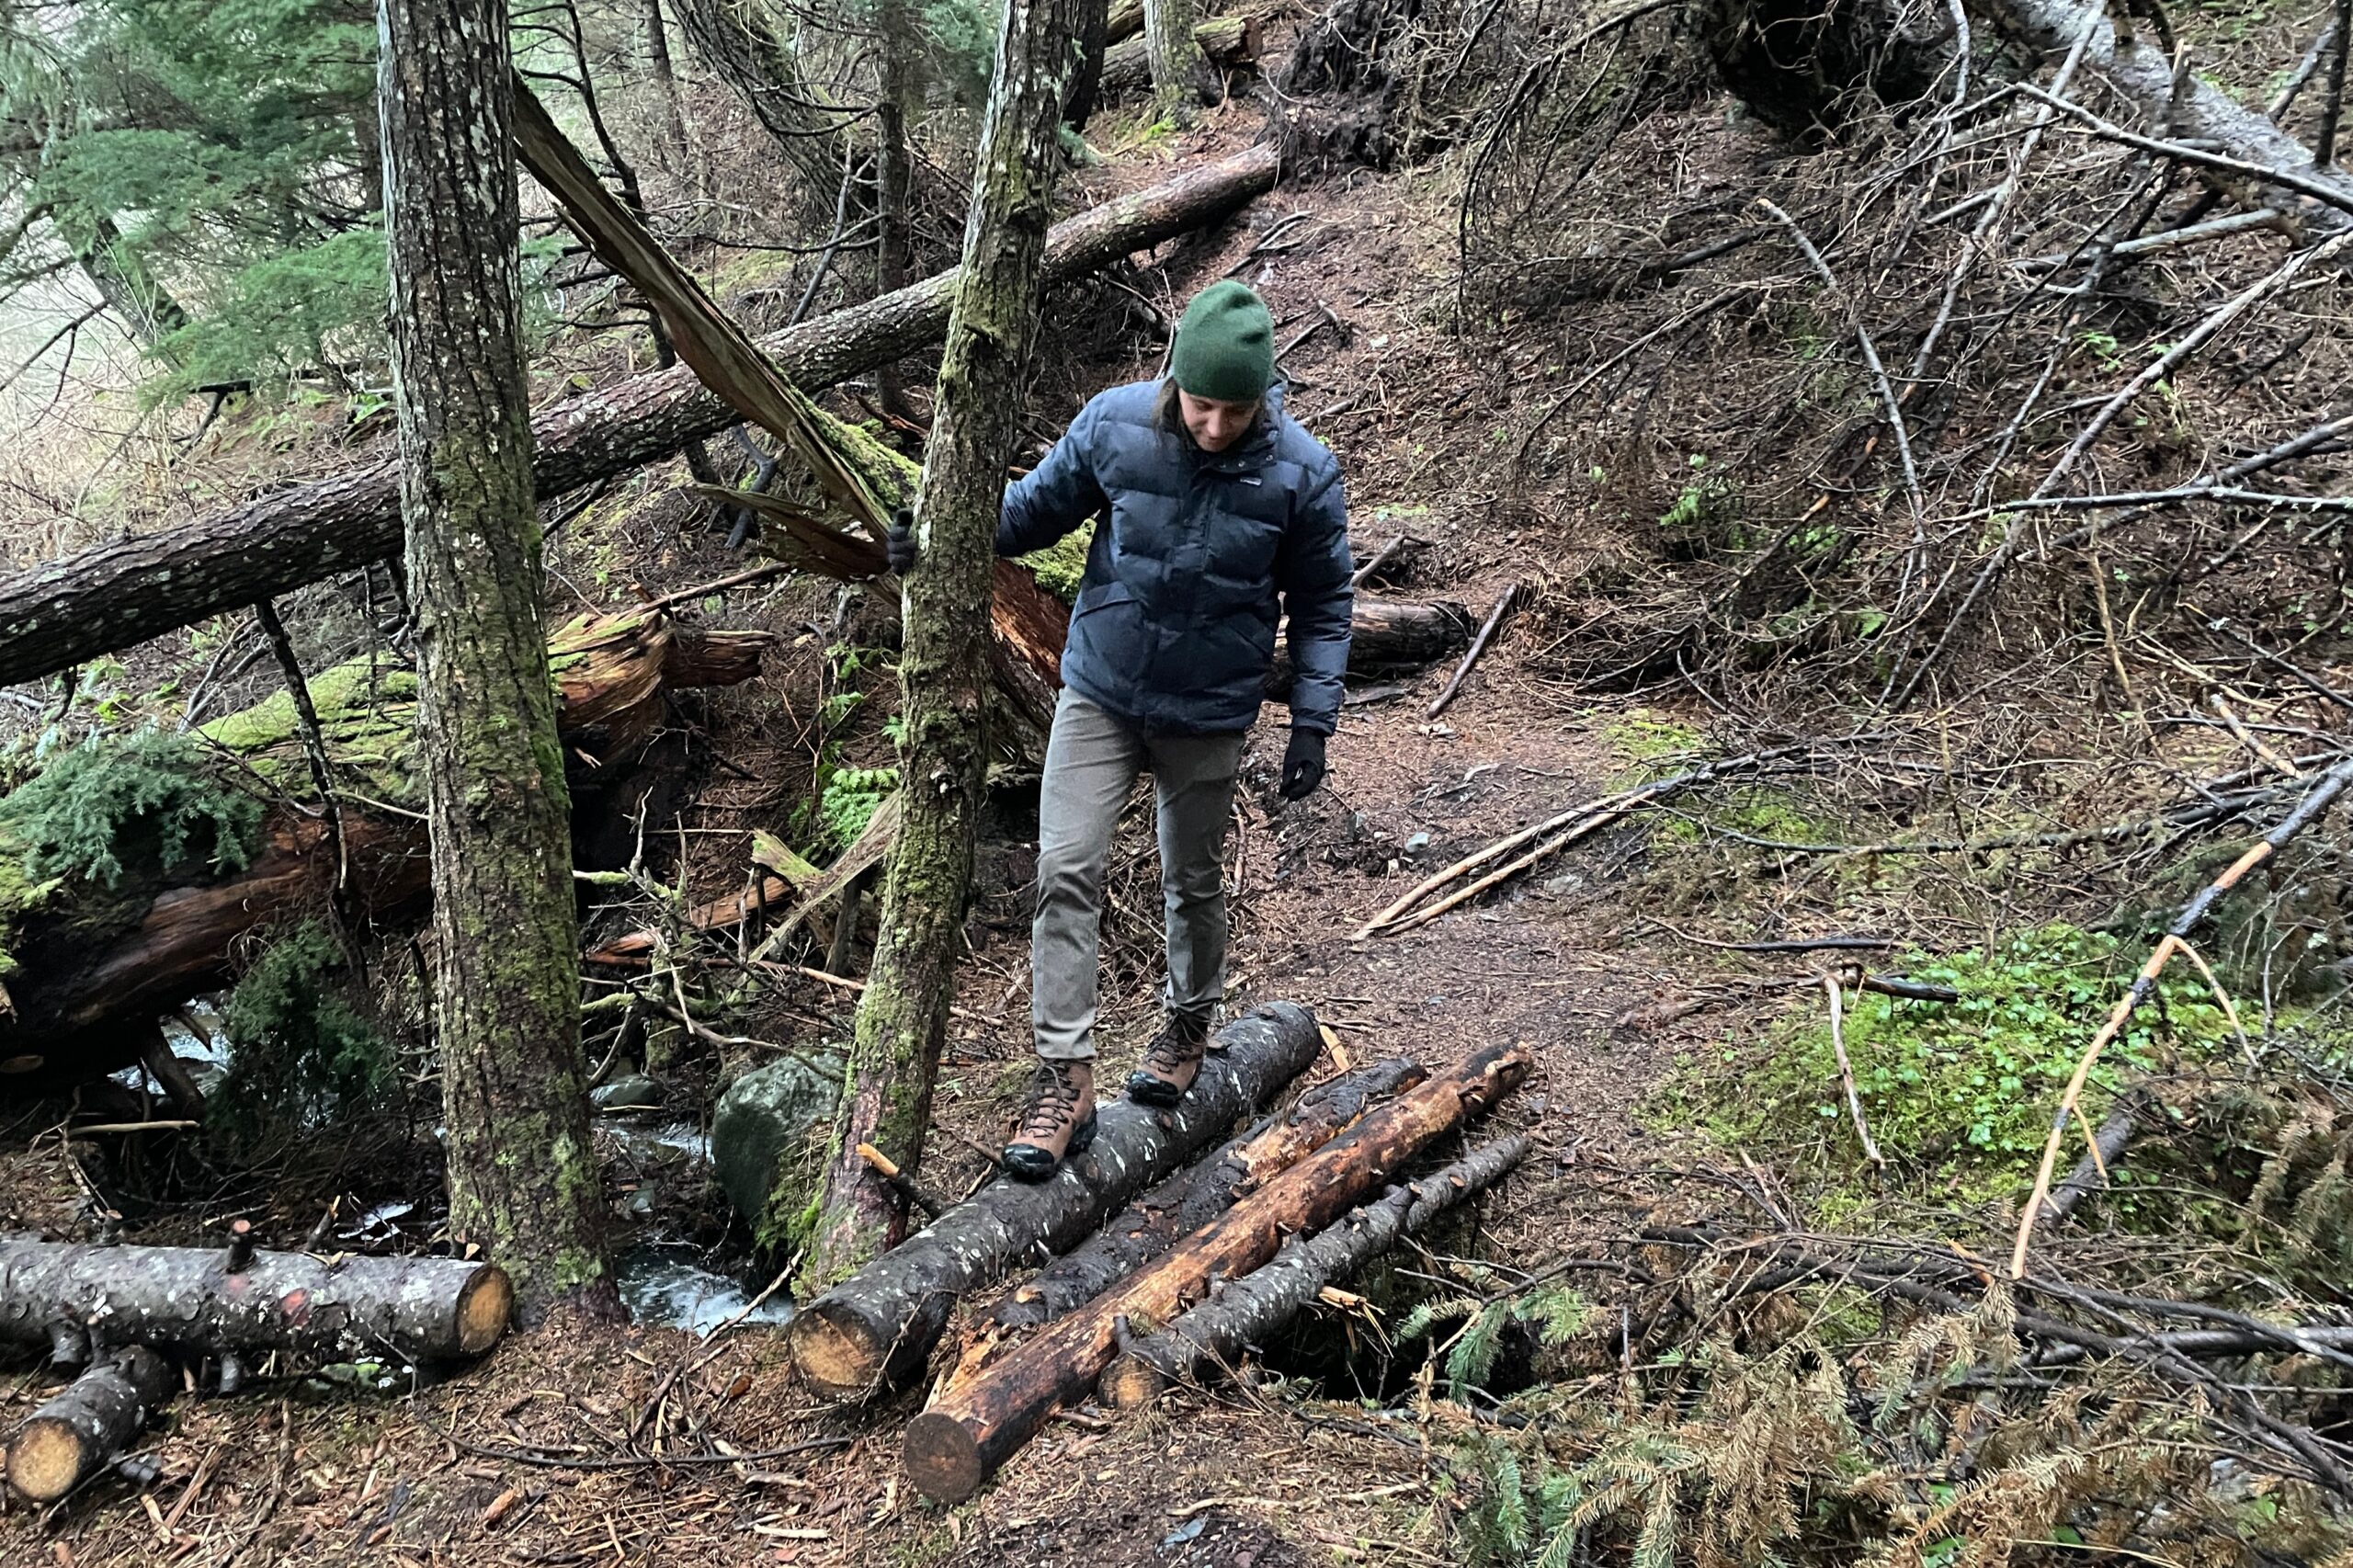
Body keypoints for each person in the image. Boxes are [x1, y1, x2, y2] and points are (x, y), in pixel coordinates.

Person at [888, 280, 1354, 1181]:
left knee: (1190, 880)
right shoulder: (1113, 426)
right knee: (1064, 869)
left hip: (1208, 712)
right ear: (1173, 376)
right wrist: (935, 534)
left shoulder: (1301, 471)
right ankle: (1064, 1081)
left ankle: (1185, 1027)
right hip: (1100, 693)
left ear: (1264, 395)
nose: (1214, 425)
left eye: (1234, 408)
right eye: (1199, 402)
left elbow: (1326, 602)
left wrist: (1313, 722)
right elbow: (1022, 516)